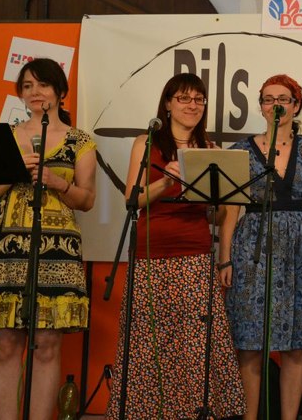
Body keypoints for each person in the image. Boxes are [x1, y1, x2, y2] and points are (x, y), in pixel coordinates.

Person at [105, 73, 245, 419]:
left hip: (195, 254)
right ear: (167, 104)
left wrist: (218, 201)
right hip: (151, 254)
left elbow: (220, 214)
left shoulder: (211, 150)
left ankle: (194, 413)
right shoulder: (147, 142)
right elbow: (132, 199)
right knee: (148, 342)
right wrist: (167, 181)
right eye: (183, 98)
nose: (192, 105)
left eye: (198, 99)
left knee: (196, 344)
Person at [0, 58, 96, 419]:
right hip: (6, 250)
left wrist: (57, 182)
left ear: (60, 91)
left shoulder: (80, 141)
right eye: (27, 85)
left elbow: (87, 200)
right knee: (4, 344)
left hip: (57, 252)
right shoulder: (5, 136)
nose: (35, 92)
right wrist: (12, 172)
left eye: (43, 84)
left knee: (47, 344)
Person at [218, 74, 302, 420]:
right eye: (268, 99)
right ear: (261, 107)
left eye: (283, 99)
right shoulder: (240, 151)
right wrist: (225, 259)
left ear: (296, 106)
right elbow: (231, 210)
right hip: (252, 250)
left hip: (301, 251)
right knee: (250, 345)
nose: (275, 105)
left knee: (296, 345)